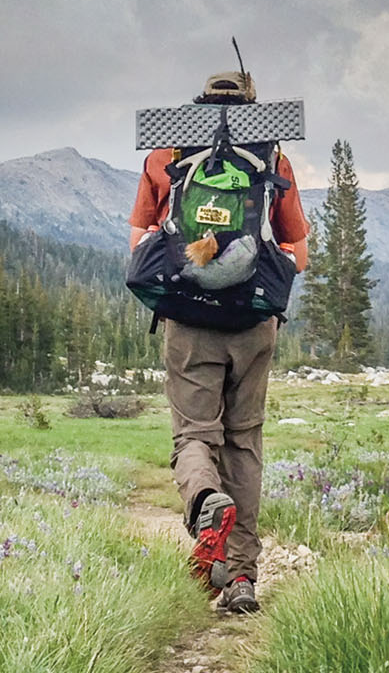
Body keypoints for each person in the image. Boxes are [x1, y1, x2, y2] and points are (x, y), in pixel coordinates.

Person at [127, 68, 310, 614]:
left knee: (193, 436)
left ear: (200, 101)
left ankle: (205, 499)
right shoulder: (271, 158)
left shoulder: (165, 155)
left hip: (188, 322)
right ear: (251, 104)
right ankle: (242, 579)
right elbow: (299, 254)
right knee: (243, 443)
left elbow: (139, 244)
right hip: (252, 324)